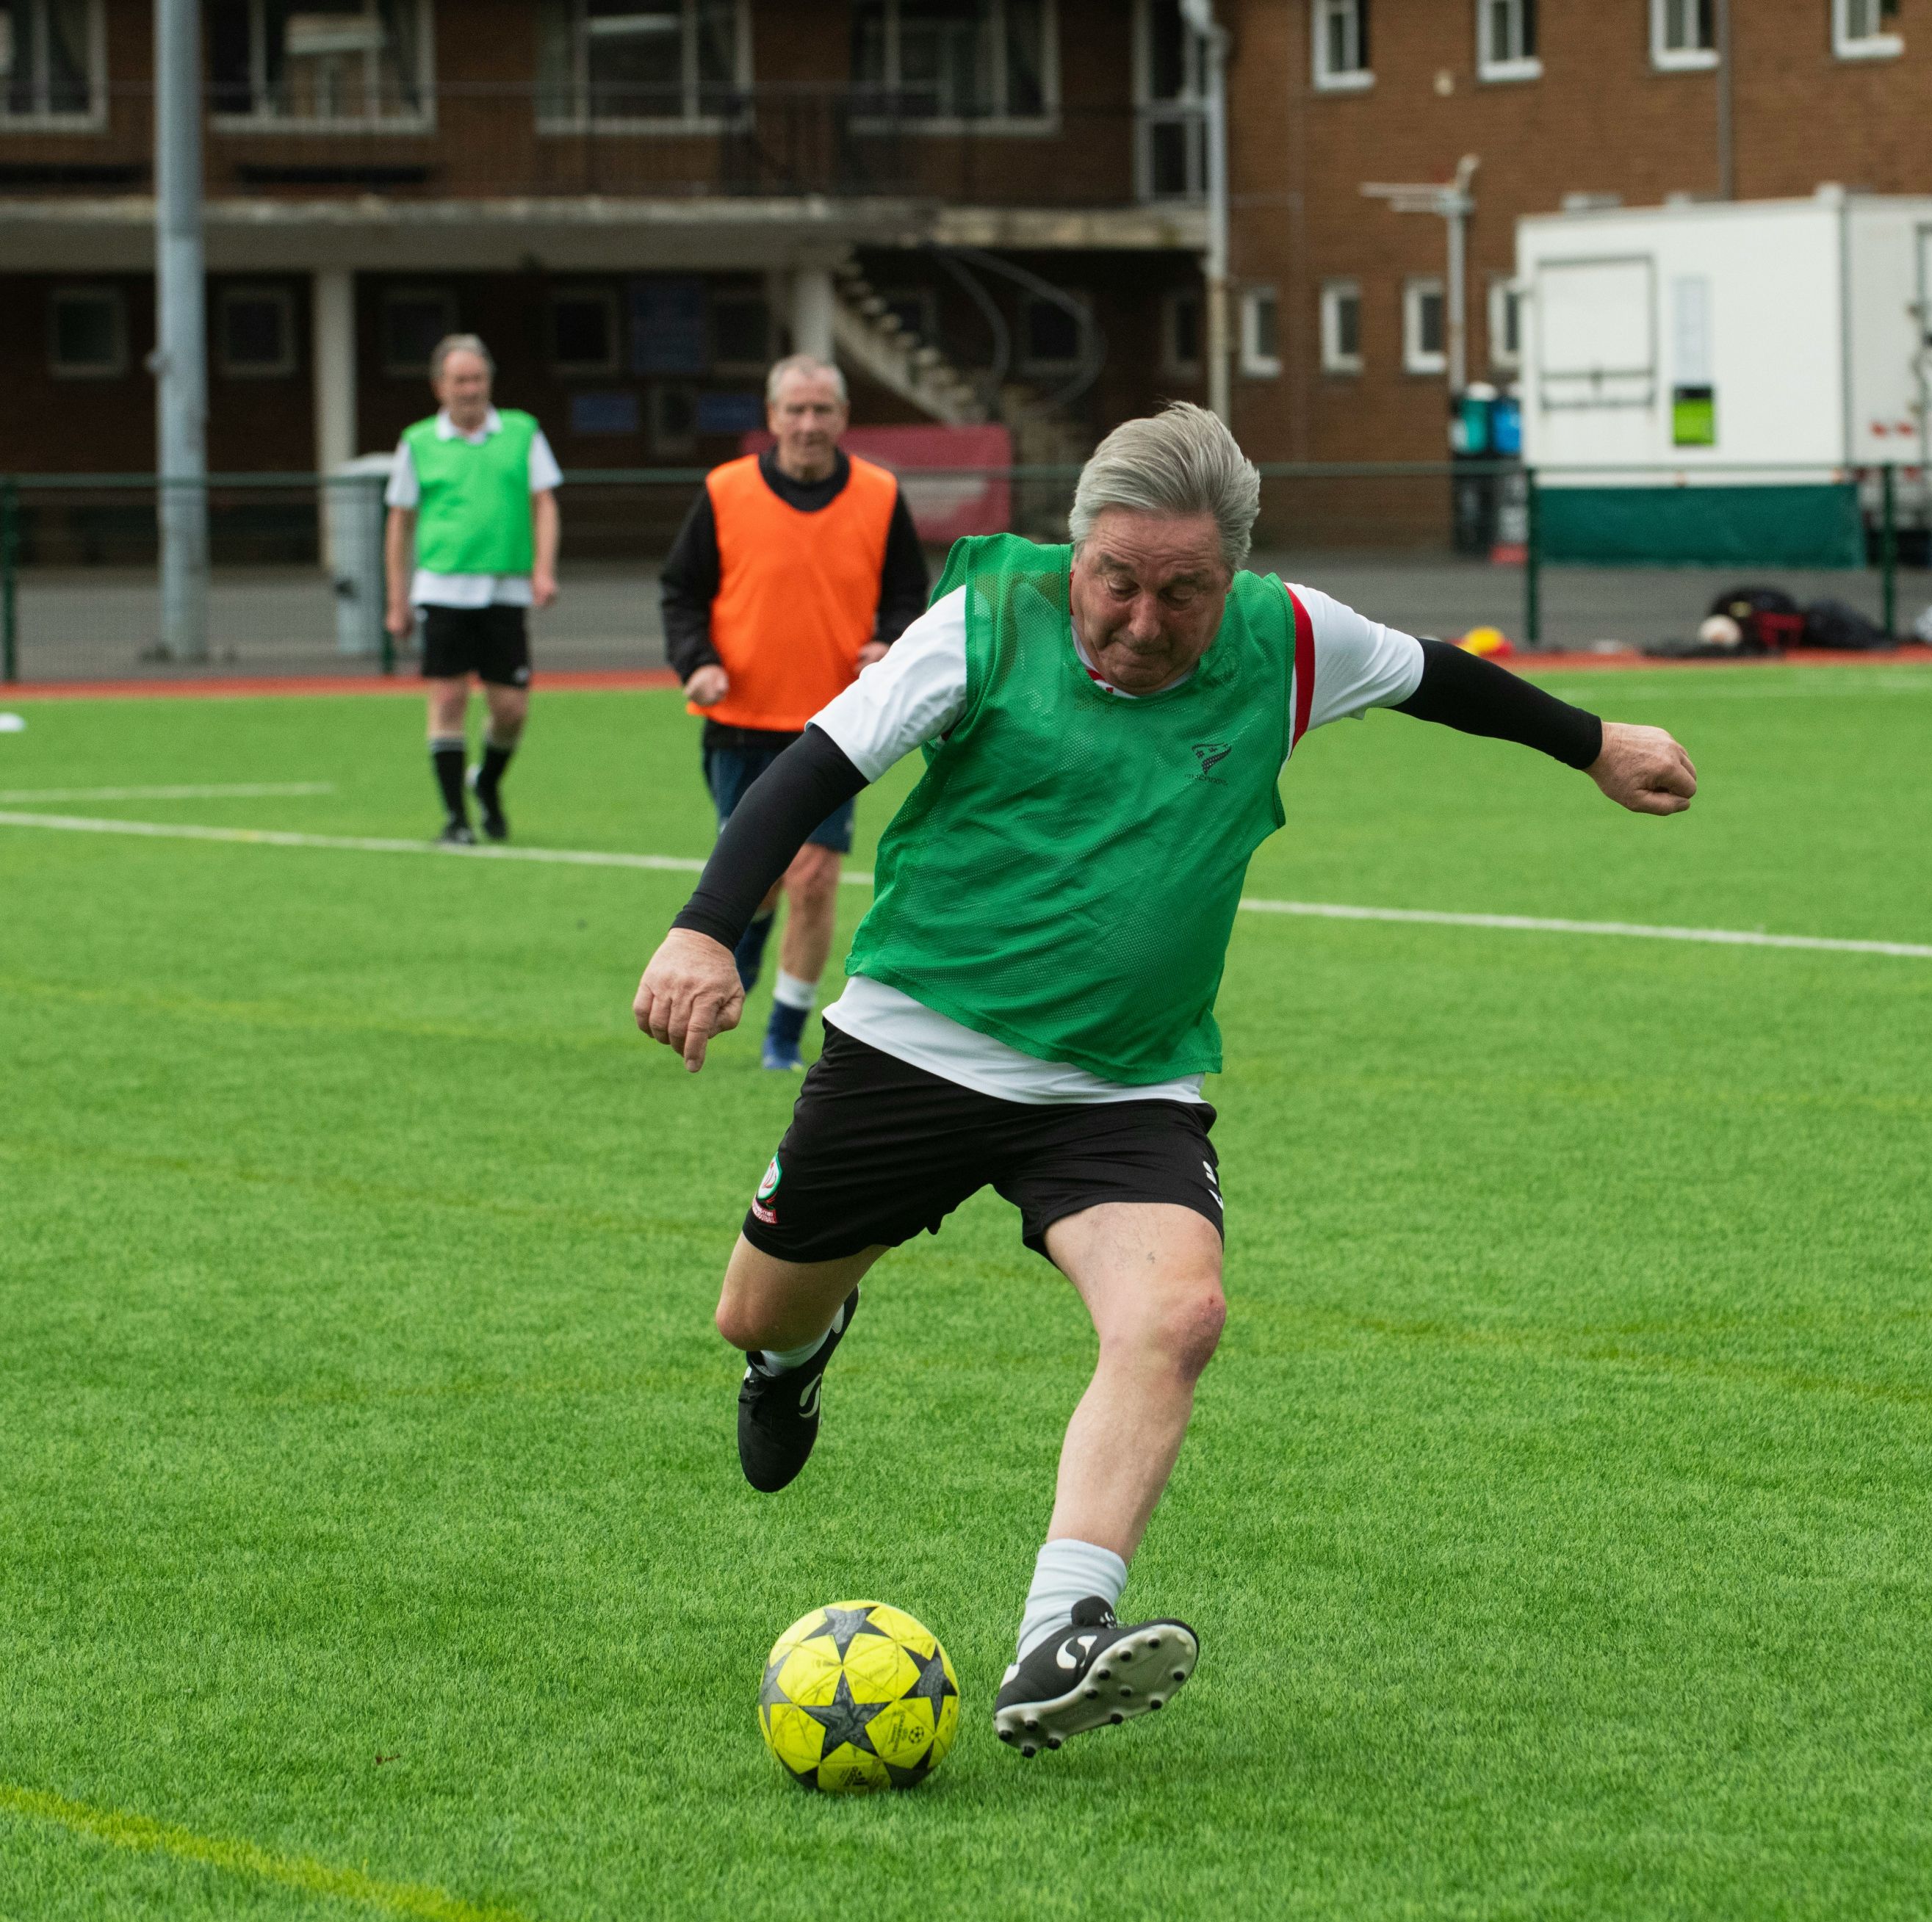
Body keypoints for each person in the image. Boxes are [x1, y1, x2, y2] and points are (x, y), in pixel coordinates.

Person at [631, 403, 1698, 1753]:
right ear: (1074, 554)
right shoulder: (984, 627)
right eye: (1116, 582)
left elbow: (1439, 674)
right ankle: (796, 1353)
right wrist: (701, 927)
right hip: (915, 1045)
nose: (1143, 619)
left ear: (1233, 575)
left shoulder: (1291, 638)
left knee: (1177, 1315)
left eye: (1184, 591)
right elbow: (812, 770)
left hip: (1122, 1084)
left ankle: (1056, 1634)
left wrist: (1592, 742)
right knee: (752, 1310)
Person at [659, 355, 928, 1069]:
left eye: (822, 410)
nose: (808, 424)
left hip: (836, 726)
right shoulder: (724, 491)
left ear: (842, 418)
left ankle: (784, 1031)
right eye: (795, 411)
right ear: (771, 418)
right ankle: (742, 953)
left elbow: (908, 594)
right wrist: (698, 662)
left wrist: (889, 642)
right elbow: (681, 592)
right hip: (738, 719)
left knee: (813, 876)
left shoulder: (879, 493)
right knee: (763, 873)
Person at [384, 334, 562, 845]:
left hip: (506, 589)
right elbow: (400, 522)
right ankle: (455, 819)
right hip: (442, 587)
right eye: (460, 380)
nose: (470, 389)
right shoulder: (418, 441)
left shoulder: (522, 431)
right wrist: (397, 599)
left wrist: (543, 569)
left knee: (511, 709)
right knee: (448, 697)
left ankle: (485, 783)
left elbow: (544, 502)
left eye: (478, 379)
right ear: (440, 386)